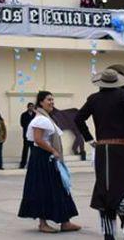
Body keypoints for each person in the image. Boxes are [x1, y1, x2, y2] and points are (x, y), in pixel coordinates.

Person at [75, 69, 124, 240]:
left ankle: (108, 233)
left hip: (102, 149)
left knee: (105, 188)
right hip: (122, 149)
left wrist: (89, 138)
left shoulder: (94, 99)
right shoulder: (123, 96)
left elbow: (78, 118)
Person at [18, 91, 81, 234]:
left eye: (53, 99)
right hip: (43, 158)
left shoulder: (46, 118)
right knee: (44, 189)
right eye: (48, 100)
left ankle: (65, 222)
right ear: (41, 102)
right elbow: (38, 140)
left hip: (46, 157)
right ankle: (43, 223)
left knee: (59, 188)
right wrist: (53, 151)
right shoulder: (41, 119)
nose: (52, 102)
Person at [20, 102, 36, 169]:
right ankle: (23, 164)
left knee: (33, 151)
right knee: (25, 150)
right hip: (26, 135)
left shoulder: (35, 115)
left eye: (32, 106)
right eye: (30, 106)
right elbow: (22, 124)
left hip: (34, 135)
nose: (31, 107)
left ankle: (32, 164)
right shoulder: (24, 114)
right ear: (28, 107)